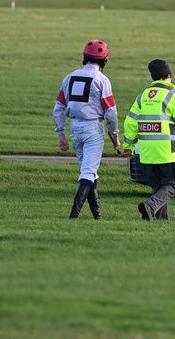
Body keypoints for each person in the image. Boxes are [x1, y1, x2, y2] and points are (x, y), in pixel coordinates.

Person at [122, 59, 175, 220]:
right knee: (173, 185)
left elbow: (130, 122)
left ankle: (159, 221)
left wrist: (128, 146)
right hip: (168, 152)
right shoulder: (172, 95)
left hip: (147, 153)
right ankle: (149, 206)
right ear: (169, 76)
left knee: (159, 188)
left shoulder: (143, 96)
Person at [53, 39, 119, 219]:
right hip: (92, 129)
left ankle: (97, 216)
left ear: (85, 57)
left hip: (75, 129)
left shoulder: (70, 77)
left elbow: (58, 106)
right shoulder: (102, 80)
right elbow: (111, 113)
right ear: (104, 60)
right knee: (88, 173)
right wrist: (115, 137)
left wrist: (61, 134)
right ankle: (73, 216)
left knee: (89, 173)